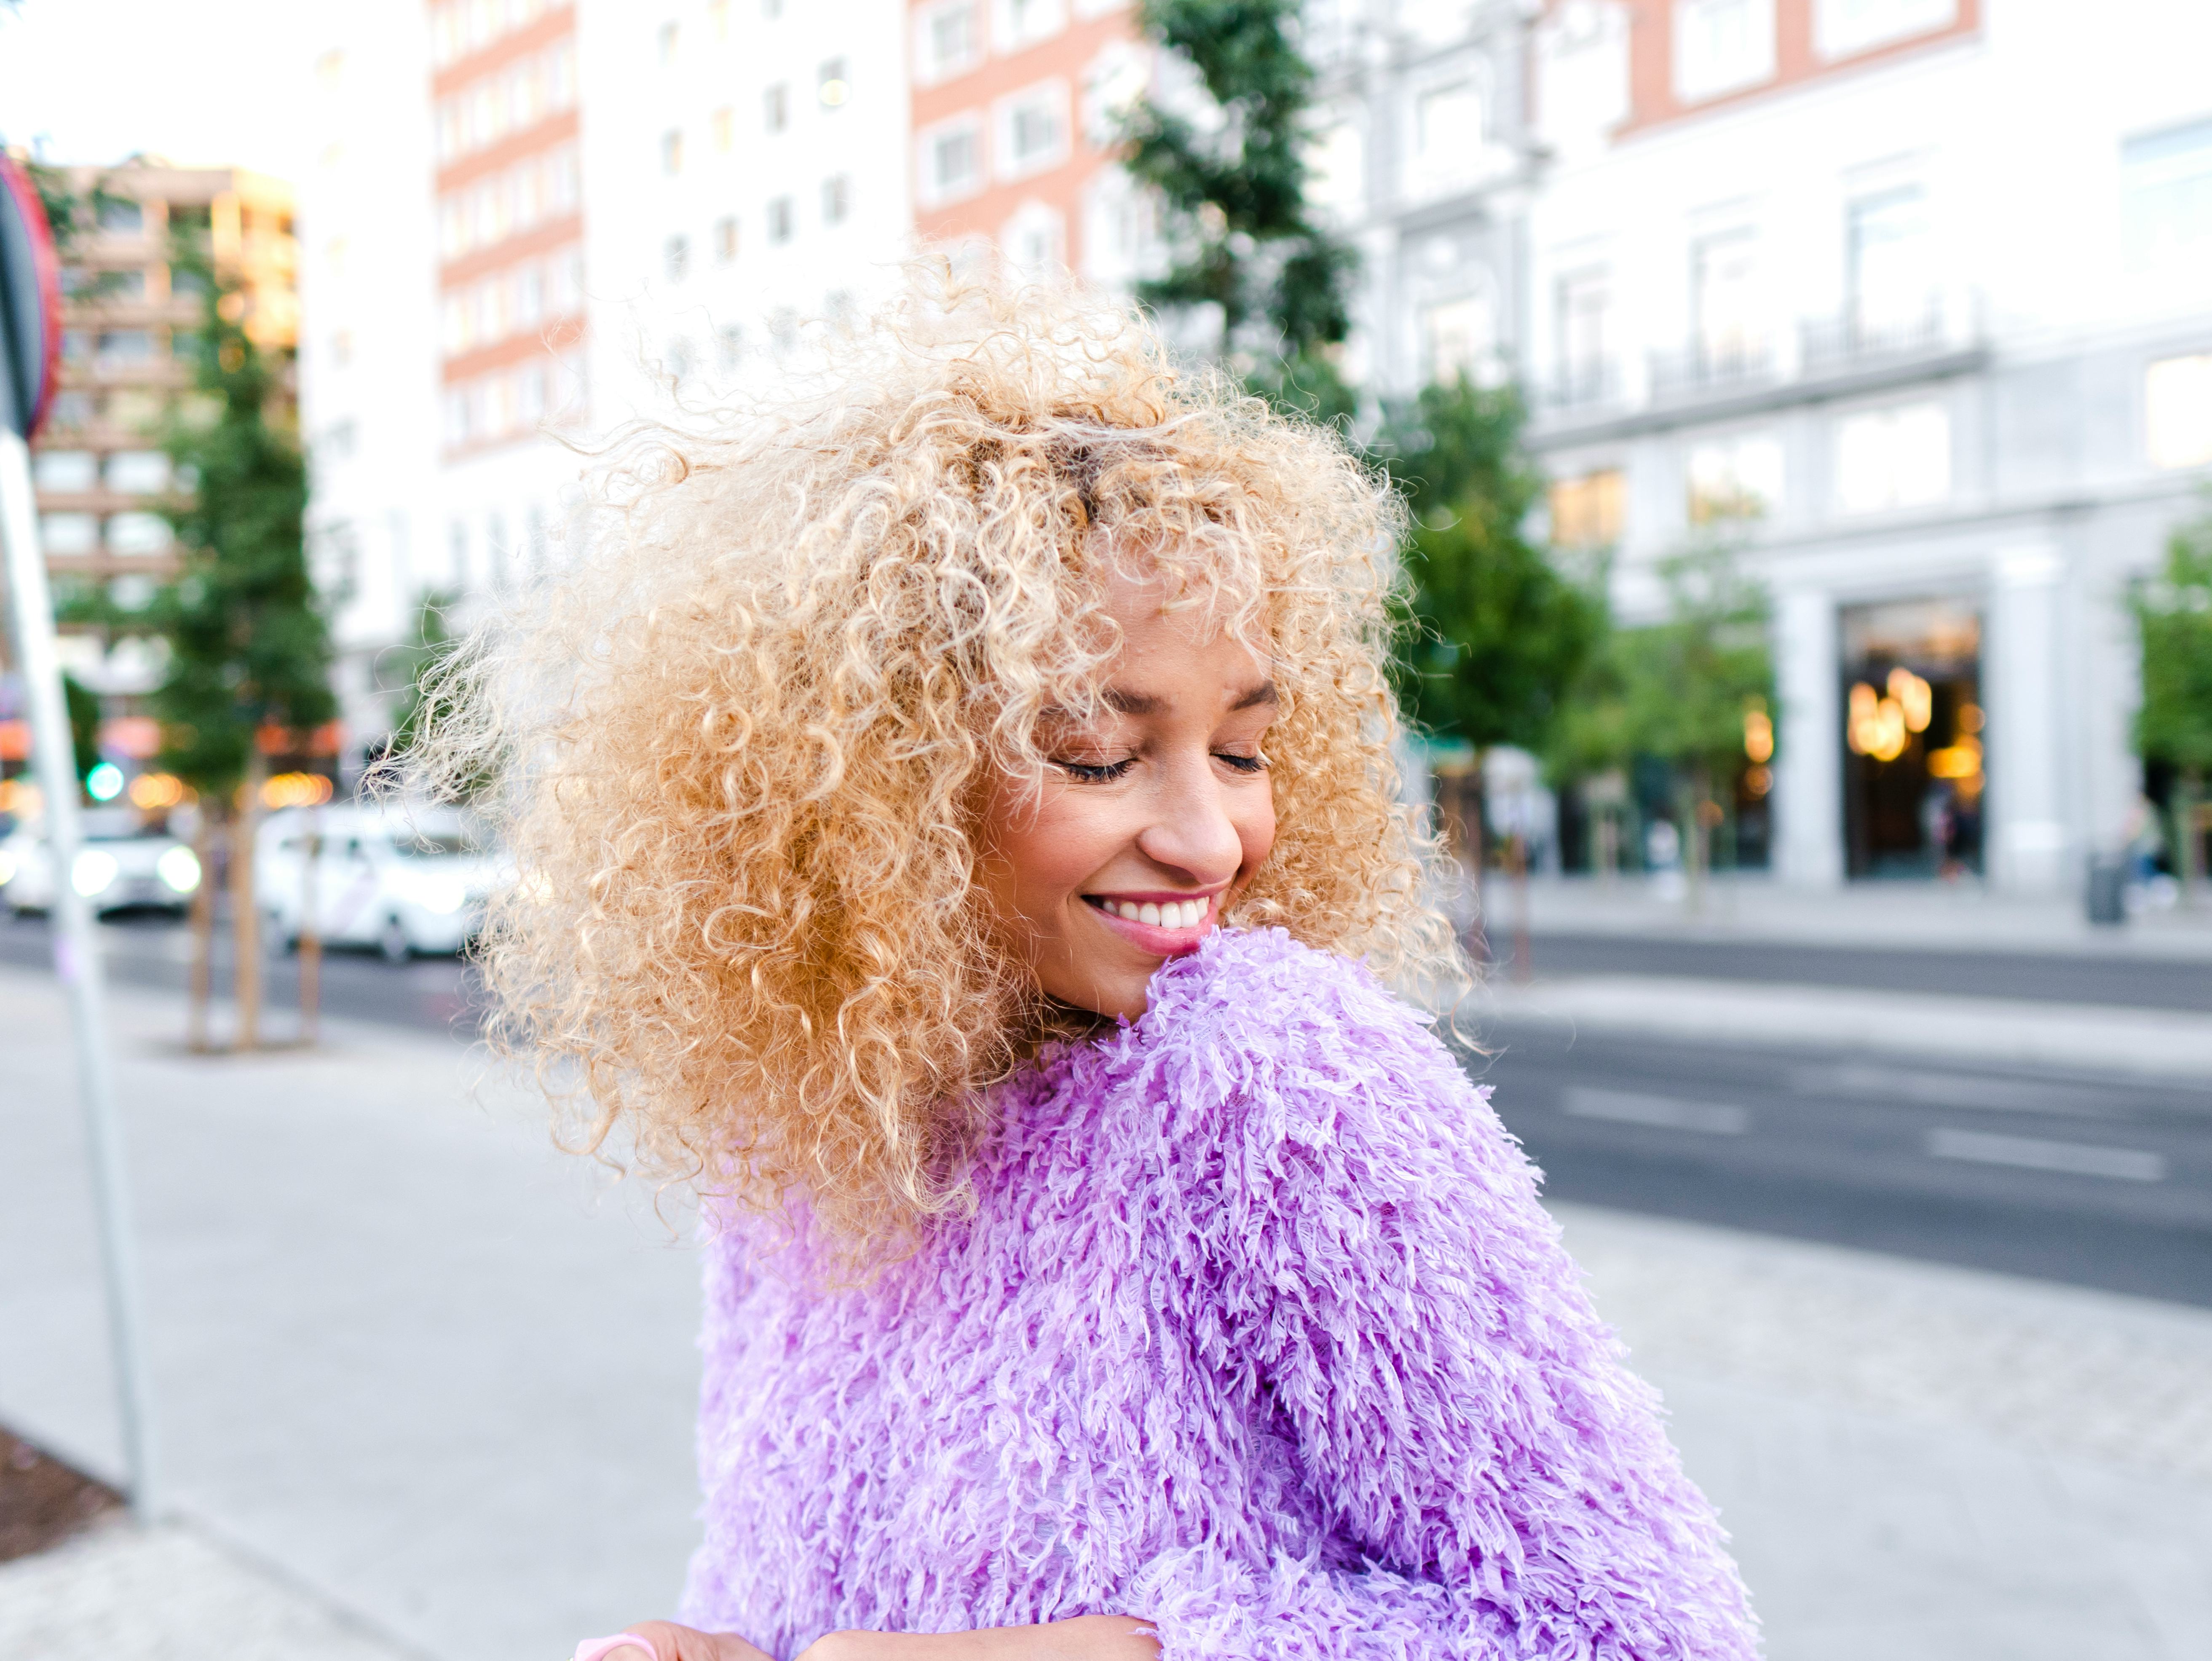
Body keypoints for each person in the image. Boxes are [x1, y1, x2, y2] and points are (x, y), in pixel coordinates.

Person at [425, 271, 1759, 1661]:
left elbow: (1633, 1632)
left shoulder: (1280, 1085)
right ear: (875, 789)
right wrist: (723, 1649)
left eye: (1243, 750)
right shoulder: (807, 1118)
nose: (1208, 838)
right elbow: (792, 1575)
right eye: (1098, 756)